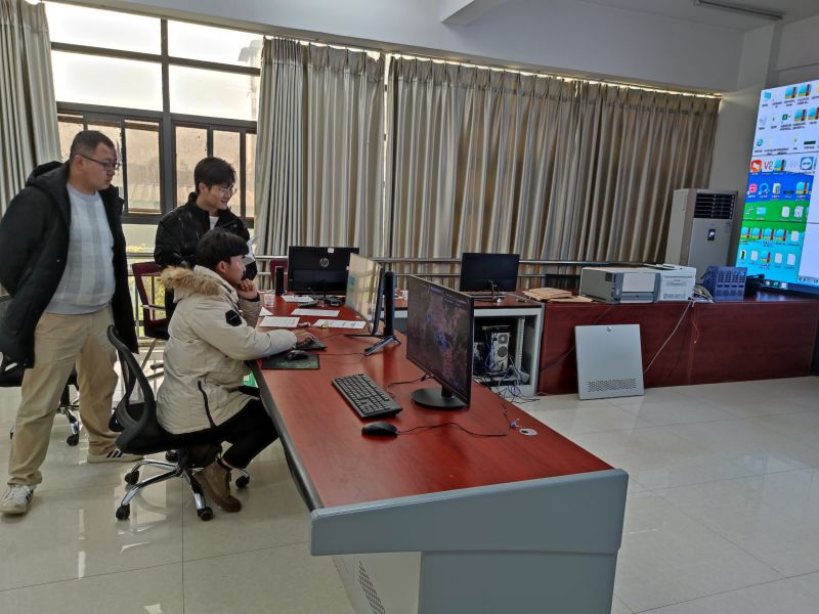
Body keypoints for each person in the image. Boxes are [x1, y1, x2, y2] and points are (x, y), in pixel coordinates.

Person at [0, 131, 141, 516]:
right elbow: (8, 257)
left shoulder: (106, 200)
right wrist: (36, 295)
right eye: (106, 164)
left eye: (115, 165)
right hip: (56, 318)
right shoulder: (40, 198)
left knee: (100, 385)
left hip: (99, 314)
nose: (112, 171)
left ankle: (101, 445)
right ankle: (21, 480)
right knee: (40, 399)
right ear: (79, 161)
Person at [157, 229, 310, 513]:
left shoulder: (207, 292)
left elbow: (236, 335)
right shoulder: (205, 303)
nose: (245, 265)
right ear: (223, 266)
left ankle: (205, 446)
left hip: (197, 389)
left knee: (263, 395)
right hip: (197, 401)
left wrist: (249, 302)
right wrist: (293, 337)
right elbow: (246, 346)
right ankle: (219, 468)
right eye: (241, 259)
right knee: (277, 418)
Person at [154, 157, 256, 317]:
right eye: (222, 189)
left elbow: (250, 267)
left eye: (231, 189)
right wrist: (214, 275)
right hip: (186, 309)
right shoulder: (173, 222)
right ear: (203, 187)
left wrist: (242, 277)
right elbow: (168, 266)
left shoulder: (235, 225)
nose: (228, 195)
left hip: (226, 305)